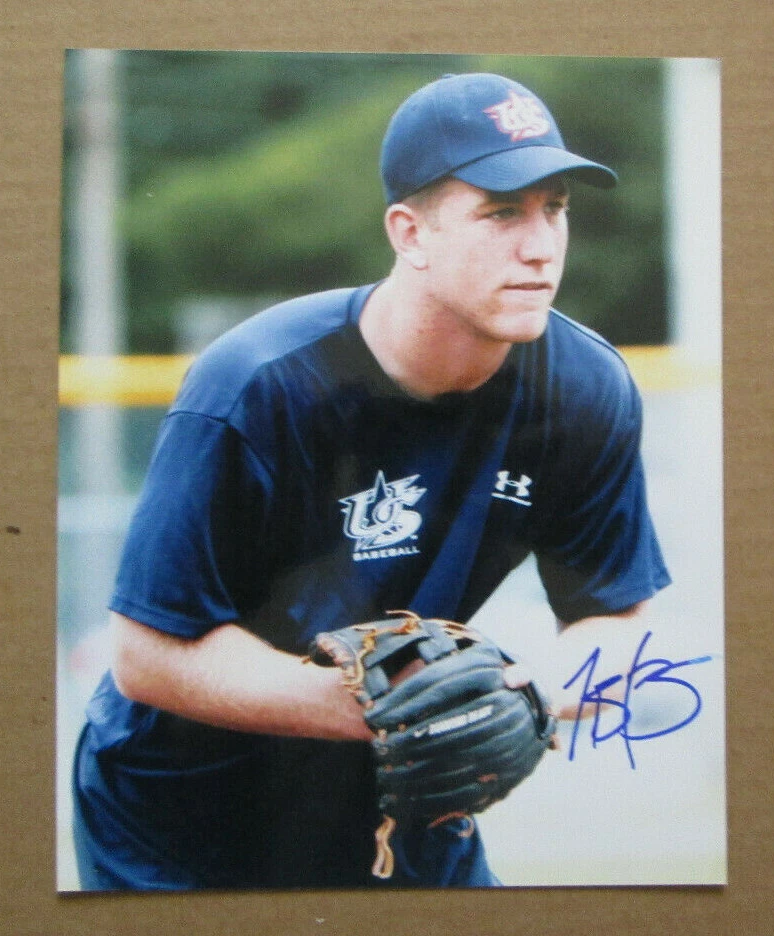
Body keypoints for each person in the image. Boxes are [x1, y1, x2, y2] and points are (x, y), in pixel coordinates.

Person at [72, 72, 671, 890]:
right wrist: (394, 707)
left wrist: (527, 696)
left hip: (397, 801)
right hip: (185, 814)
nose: (540, 246)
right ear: (409, 233)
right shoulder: (259, 383)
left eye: (555, 207)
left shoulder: (585, 389)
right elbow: (146, 655)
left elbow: (622, 627)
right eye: (501, 212)